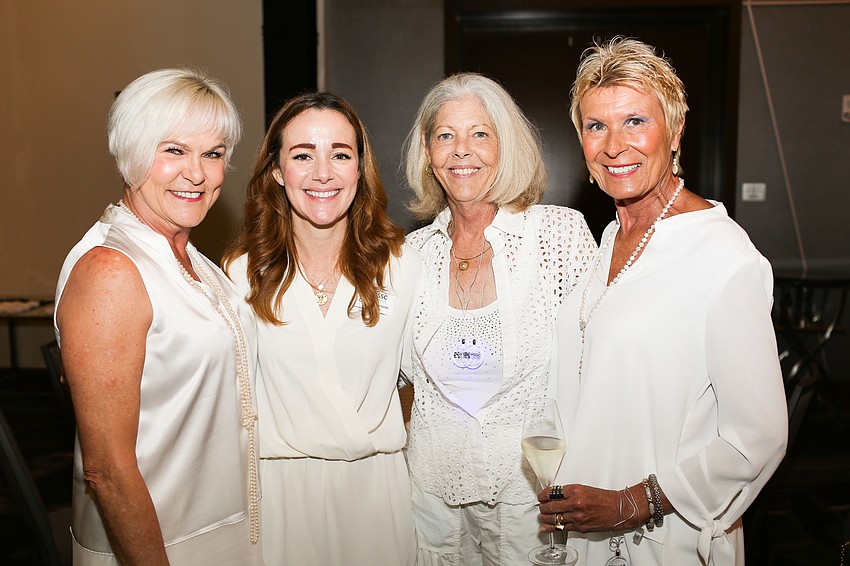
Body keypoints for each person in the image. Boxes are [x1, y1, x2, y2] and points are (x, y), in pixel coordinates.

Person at [537, 37, 788, 565]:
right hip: (587, 524)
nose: (613, 145)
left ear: (674, 133)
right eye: (595, 126)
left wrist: (634, 502)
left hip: (663, 537)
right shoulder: (608, 239)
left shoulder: (723, 257)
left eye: (635, 121)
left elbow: (756, 437)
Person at [53, 68, 261, 565]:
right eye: (173, 150)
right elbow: (106, 470)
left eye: (212, 154)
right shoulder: (111, 270)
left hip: (223, 531)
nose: (197, 173)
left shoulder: (194, 260)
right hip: (157, 545)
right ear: (131, 153)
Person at [401, 72, 597, 565]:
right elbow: (395, 377)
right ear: (428, 152)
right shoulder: (409, 254)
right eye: (445, 136)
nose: (461, 150)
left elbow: (595, 368)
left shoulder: (559, 236)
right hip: (428, 499)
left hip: (530, 499)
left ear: (504, 145)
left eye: (479, 134)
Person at [222, 92, 421, 565]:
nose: (323, 173)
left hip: (377, 497)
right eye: (303, 155)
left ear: (359, 170)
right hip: (281, 500)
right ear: (276, 172)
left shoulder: (403, 264)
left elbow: (426, 381)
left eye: (340, 154)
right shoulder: (240, 274)